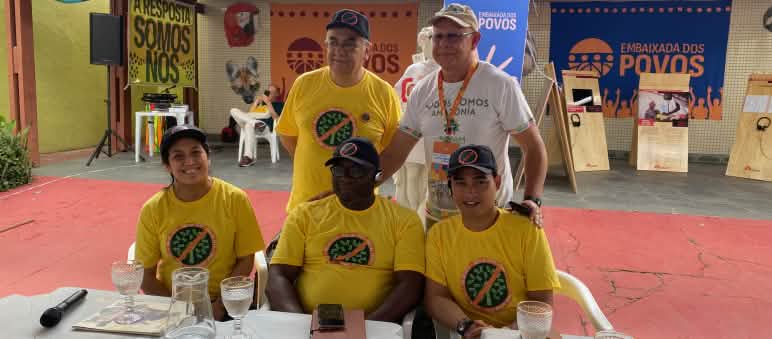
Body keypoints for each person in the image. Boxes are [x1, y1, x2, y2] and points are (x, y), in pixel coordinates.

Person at [378, 3, 547, 228]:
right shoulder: (423, 90)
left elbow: (534, 147)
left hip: (489, 216)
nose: (444, 44)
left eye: (454, 36)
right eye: (438, 37)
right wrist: (358, 185)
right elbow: (395, 153)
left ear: (474, 40)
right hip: (438, 216)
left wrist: (532, 199)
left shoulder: (499, 84)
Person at [266, 137, 425, 322]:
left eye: (356, 170)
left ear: (376, 176)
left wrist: (364, 329)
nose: (345, 178)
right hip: (308, 324)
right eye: (338, 170)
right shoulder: (304, 214)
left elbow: (410, 286)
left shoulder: (404, 220)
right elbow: (278, 275)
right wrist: (301, 325)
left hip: (374, 326)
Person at [423, 144, 560, 338]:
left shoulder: (526, 229)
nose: (470, 191)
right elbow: (436, 297)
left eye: (480, 182)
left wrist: (503, 333)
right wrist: (466, 326)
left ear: (497, 182)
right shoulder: (439, 235)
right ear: (450, 187)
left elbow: (542, 303)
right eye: (460, 183)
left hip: (522, 334)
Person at [134, 125, 266, 321]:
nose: (189, 162)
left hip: (223, 303)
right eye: (178, 156)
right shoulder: (153, 209)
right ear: (167, 165)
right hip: (170, 304)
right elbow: (146, 276)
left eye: (196, 152)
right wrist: (178, 311)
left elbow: (246, 260)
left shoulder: (235, 199)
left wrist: (220, 305)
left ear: (208, 157)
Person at [276, 9, 401, 212]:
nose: (340, 50)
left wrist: (367, 183)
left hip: (359, 208)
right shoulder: (304, 84)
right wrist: (310, 163)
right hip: (306, 207)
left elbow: (393, 152)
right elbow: (287, 134)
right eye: (333, 42)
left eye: (350, 43)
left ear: (367, 50)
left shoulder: (383, 93)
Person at [393, 26, 440, 212]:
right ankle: (413, 211)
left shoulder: (445, 71)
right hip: (414, 133)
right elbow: (398, 96)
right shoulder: (415, 69)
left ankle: (419, 211)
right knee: (413, 176)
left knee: (425, 179)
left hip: (427, 135)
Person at [230, 84, 284, 167]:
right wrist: (255, 103)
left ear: (277, 94)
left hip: (264, 127)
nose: (268, 94)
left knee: (248, 125)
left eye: (271, 92)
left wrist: (268, 103)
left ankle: (248, 157)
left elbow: (277, 119)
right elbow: (249, 114)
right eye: (267, 92)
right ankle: (254, 123)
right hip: (252, 121)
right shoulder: (260, 103)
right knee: (233, 110)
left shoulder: (279, 104)